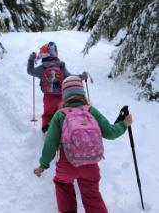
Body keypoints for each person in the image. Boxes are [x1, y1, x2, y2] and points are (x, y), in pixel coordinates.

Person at [33, 76, 133, 213]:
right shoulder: (91, 111)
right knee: (92, 196)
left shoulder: (60, 115)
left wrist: (43, 165)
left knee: (62, 184)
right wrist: (124, 124)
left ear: (64, 96)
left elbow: (50, 143)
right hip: (91, 165)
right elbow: (110, 132)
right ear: (82, 93)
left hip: (67, 164)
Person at [27, 42, 87, 133]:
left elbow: (30, 71)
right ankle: (62, 129)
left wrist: (31, 59)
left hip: (48, 97)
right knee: (62, 113)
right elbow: (71, 77)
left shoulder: (43, 68)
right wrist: (83, 76)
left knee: (47, 114)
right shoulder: (61, 66)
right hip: (61, 97)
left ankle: (46, 128)